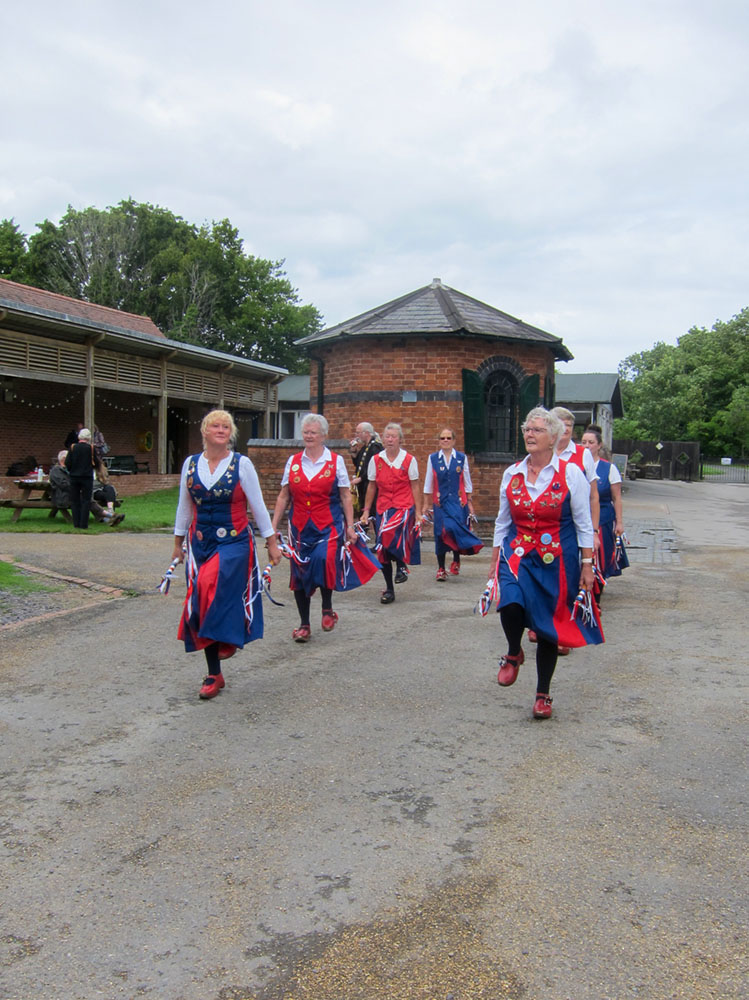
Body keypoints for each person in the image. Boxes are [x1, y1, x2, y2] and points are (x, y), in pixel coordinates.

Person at [493, 407, 604, 720]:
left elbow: (583, 523)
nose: (529, 434)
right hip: (517, 555)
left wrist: (587, 565)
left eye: (537, 430)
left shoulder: (570, 473)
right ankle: (514, 651)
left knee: (547, 630)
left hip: (557, 561)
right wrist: (494, 563)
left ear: (553, 437)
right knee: (510, 603)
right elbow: (502, 523)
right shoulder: (512, 473)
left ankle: (543, 693)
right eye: (527, 429)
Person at [171, 409, 282, 700]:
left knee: (210, 584)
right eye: (215, 426)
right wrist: (177, 543)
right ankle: (213, 672)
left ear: (230, 433)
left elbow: (258, 505)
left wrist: (271, 542)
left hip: (234, 543)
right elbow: (185, 506)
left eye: (225, 426)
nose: (220, 430)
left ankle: (229, 636)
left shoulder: (241, 464)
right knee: (201, 601)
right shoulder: (191, 464)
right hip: (199, 543)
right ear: (205, 431)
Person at [271, 412, 380, 642]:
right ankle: (304, 625)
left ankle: (327, 608)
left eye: (314, 432)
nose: (309, 436)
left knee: (324, 559)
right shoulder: (293, 461)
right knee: (299, 574)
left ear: (323, 435)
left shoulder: (335, 461)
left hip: (328, 524)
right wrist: (272, 529)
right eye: (306, 432)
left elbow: (345, 496)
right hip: (300, 526)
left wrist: (350, 526)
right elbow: (283, 496)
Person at [361, 422, 421, 604]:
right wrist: (365, 512)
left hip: (403, 507)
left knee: (388, 534)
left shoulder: (409, 460)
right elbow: (371, 486)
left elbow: (415, 486)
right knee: (382, 549)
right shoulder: (376, 460)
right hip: (383, 507)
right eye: (387, 436)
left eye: (393, 436)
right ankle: (389, 588)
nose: (390, 440)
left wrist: (418, 512)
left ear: (400, 440)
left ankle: (401, 565)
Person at [423, 427, 483, 580]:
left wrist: (469, 503)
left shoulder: (461, 458)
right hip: (440, 503)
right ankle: (441, 568)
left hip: (458, 502)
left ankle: (456, 560)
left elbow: (467, 481)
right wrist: (426, 504)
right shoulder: (433, 458)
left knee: (455, 529)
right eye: (442, 438)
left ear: (454, 440)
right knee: (440, 533)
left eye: (448, 438)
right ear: (439, 441)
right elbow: (429, 482)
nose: (445, 441)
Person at [581, 426, 628, 590]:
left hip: (603, 519)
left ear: (599, 445)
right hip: (580, 519)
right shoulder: (575, 467)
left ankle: (597, 588)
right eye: (584, 442)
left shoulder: (609, 468)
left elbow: (617, 498)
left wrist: (619, 523)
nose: (587, 446)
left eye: (591, 442)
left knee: (600, 556)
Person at [348, 421, 383, 516]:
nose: (357, 435)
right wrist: (354, 451)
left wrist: (360, 478)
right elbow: (358, 464)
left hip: (371, 486)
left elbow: (375, 468)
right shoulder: (365, 447)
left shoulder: (375, 447)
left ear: (366, 433)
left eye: (358, 433)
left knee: (371, 513)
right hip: (363, 486)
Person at [64, 428, 95, 528]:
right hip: (87, 477)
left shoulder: (73, 447)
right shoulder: (91, 448)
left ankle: (76, 523)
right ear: (89, 438)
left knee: (75, 500)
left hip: (74, 477)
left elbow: (67, 463)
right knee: (86, 500)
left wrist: (71, 470)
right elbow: (95, 463)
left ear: (79, 437)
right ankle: (84, 524)